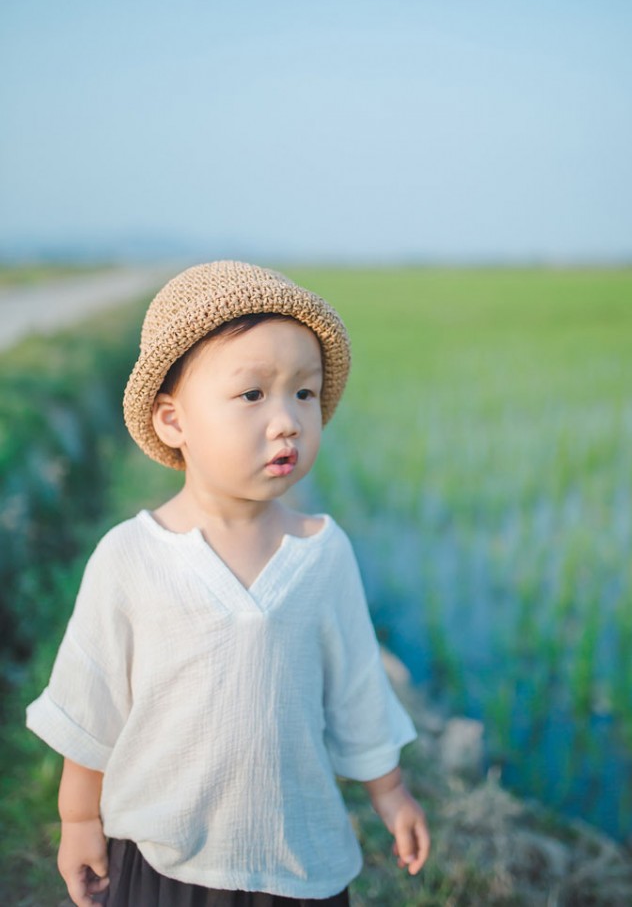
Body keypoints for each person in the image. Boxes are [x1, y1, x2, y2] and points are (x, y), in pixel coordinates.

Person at [26, 260, 430, 907]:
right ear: (173, 421)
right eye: (252, 395)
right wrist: (78, 821)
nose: (288, 420)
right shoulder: (132, 556)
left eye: (304, 393)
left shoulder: (322, 554)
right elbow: (91, 703)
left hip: (295, 859)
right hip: (163, 861)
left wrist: (391, 792)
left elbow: (358, 688)